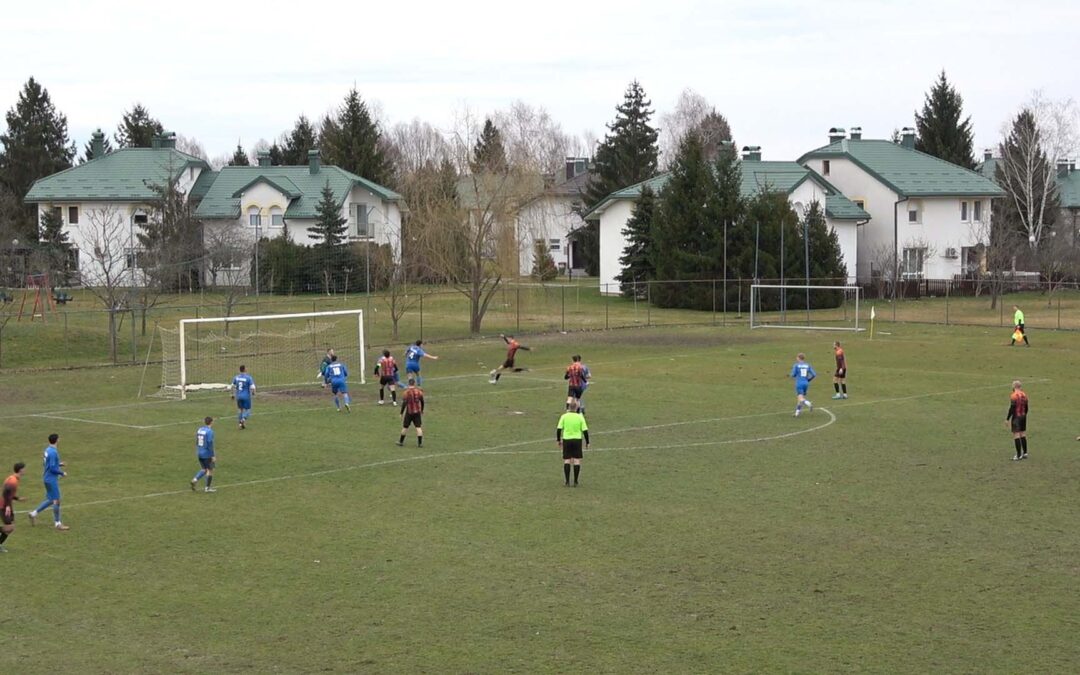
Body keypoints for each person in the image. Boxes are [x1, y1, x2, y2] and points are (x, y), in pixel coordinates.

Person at [28, 433, 69, 530]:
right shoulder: (53, 452)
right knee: (57, 500)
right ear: (57, 440)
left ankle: (33, 514)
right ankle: (58, 523)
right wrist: (62, 473)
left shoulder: (47, 450)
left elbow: (47, 464)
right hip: (51, 479)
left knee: (51, 499)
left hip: (46, 478)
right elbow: (52, 468)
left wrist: (59, 464)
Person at [556, 401, 590, 486]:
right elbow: (585, 431)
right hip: (577, 440)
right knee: (576, 460)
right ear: (576, 408)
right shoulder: (580, 417)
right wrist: (587, 442)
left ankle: (567, 481)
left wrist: (558, 440)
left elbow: (559, 429)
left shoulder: (564, 416)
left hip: (567, 440)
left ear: (568, 407)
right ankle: (575, 481)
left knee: (567, 460)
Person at [1, 462, 26, 552]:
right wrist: (7, 506)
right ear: (20, 470)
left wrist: (17, 498)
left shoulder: (13, 478)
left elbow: (9, 493)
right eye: (24, 468)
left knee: (10, 528)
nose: (25, 470)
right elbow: (5, 492)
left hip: (6, 505)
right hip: (3, 506)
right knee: (9, 527)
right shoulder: (13, 480)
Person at [191, 416, 217, 492]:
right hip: (207, 454)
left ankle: (194, 480)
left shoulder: (200, 429)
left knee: (204, 469)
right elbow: (209, 443)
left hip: (200, 452)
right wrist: (212, 455)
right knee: (210, 470)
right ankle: (207, 488)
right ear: (211, 422)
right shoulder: (210, 431)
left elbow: (197, 441)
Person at [397, 378, 425, 447]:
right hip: (417, 412)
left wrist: (401, 413)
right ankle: (420, 443)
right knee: (418, 427)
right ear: (414, 383)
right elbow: (422, 401)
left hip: (409, 412)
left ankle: (401, 441)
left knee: (405, 427)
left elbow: (404, 403)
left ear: (408, 383)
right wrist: (422, 410)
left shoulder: (406, 392)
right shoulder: (419, 392)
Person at [1006, 380, 1029, 460]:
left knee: (1016, 434)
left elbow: (1012, 408)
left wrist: (1007, 418)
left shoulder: (1013, 395)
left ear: (1014, 386)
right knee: (1023, 433)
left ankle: (1018, 455)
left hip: (1016, 417)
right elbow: (1026, 407)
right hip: (1023, 416)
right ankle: (1025, 453)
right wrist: (1024, 414)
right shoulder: (1024, 395)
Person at [790, 353, 816, 417]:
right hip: (806, 383)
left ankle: (808, 403)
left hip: (799, 383)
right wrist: (808, 380)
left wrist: (794, 375)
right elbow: (814, 374)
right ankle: (797, 413)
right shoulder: (807, 365)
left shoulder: (796, 365)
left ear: (798, 358)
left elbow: (792, 375)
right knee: (799, 398)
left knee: (801, 398)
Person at [231, 364, 255, 429]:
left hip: (238, 396)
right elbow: (253, 387)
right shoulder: (248, 377)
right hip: (246, 397)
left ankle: (240, 424)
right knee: (248, 410)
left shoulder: (236, 377)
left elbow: (232, 386)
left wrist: (232, 394)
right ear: (244, 369)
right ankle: (243, 420)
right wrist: (253, 393)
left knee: (240, 409)